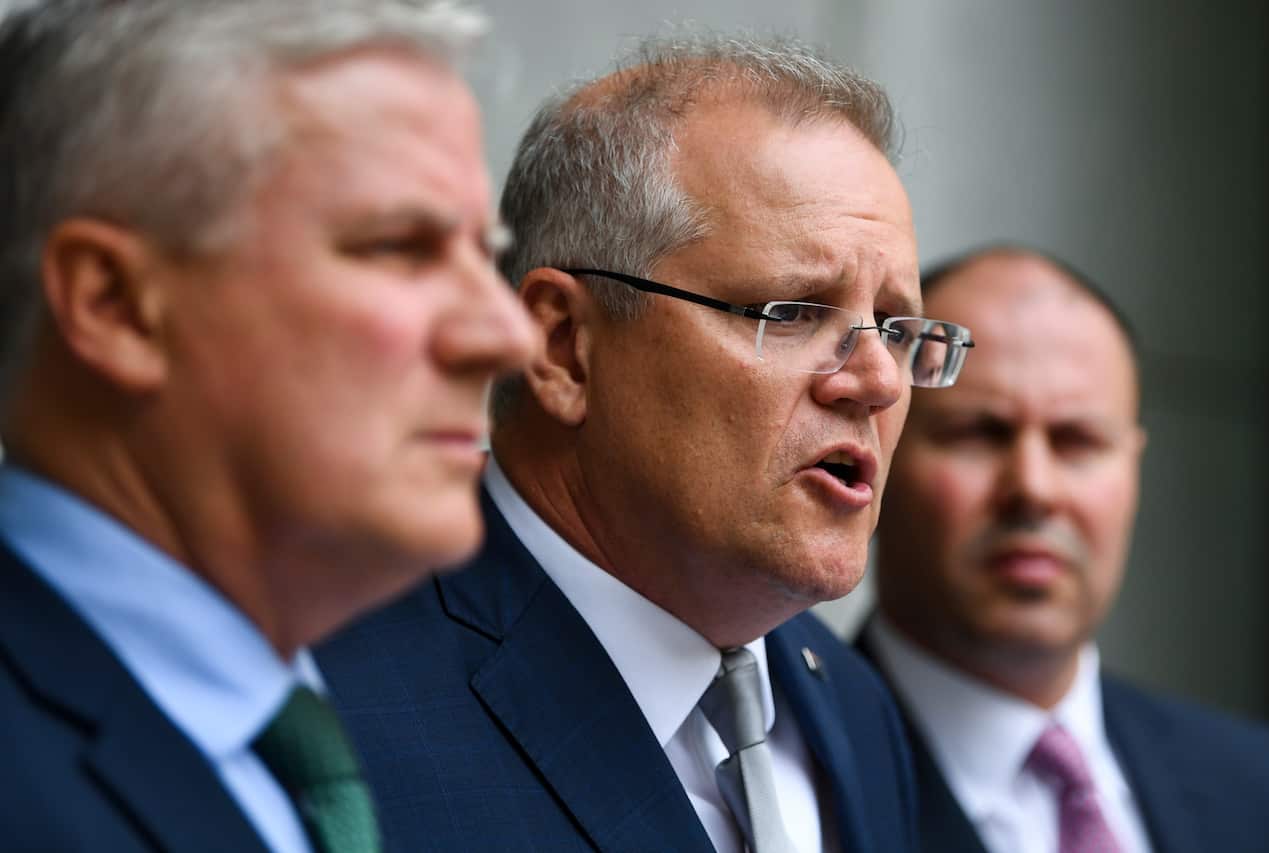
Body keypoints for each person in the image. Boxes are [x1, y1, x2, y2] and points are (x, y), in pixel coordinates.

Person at [319, 34, 975, 853]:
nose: (876, 380)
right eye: (793, 312)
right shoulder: (338, 693)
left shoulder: (852, 704)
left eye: (897, 327)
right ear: (563, 346)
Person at [0, 2, 535, 851]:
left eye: (484, 255)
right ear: (114, 304)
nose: (509, 337)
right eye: (400, 246)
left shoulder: (312, 738)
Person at [861, 245, 1269, 853]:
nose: (1034, 489)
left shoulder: (1258, 790)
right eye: (978, 433)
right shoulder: (787, 776)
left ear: (1134, 468)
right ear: (880, 450)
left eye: (1077, 440)